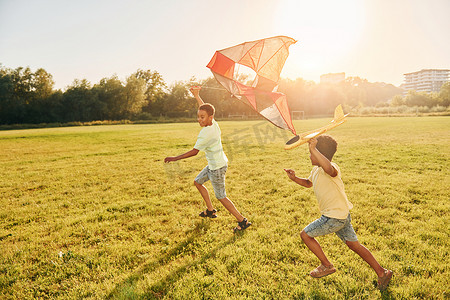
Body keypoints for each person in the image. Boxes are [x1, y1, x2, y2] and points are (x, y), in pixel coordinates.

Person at [284, 135, 392, 291]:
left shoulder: (332, 168)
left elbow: (329, 169)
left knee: (306, 235)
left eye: (311, 153)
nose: (309, 155)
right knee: (354, 245)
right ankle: (383, 273)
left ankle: (326, 265)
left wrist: (313, 149)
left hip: (333, 217)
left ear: (319, 154)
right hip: (342, 215)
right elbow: (308, 183)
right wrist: (294, 178)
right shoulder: (315, 170)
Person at [164, 86, 251, 232]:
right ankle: (210, 210)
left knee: (221, 197)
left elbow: (194, 152)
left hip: (217, 168)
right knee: (198, 182)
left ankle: (242, 221)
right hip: (215, 164)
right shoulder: (214, 124)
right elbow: (205, 109)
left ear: (209, 117)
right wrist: (197, 96)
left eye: (202, 117)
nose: (199, 119)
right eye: (198, 116)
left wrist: (174, 158)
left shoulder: (206, 133)